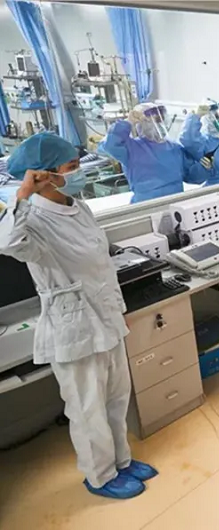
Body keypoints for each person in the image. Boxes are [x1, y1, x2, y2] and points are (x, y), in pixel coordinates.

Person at [0, 133, 158, 499]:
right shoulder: (32, 219)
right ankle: (99, 475)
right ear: (44, 174)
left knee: (117, 396)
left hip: (106, 316)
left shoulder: (79, 207)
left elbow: (101, 266)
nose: (79, 171)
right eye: (71, 166)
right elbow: (7, 243)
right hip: (73, 325)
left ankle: (122, 461)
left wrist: (118, 311)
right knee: (88, 407)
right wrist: (22, 194)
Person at [98, 103, 210, 203]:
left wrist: (203, 168)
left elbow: (192, 176)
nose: (160, 124)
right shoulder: (131, 148)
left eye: (161, 120)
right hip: (145, 207)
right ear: (142, 123)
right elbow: (110, 145)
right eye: (155, 120)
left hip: (175, 204)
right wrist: (128, 122)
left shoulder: (174, 148)